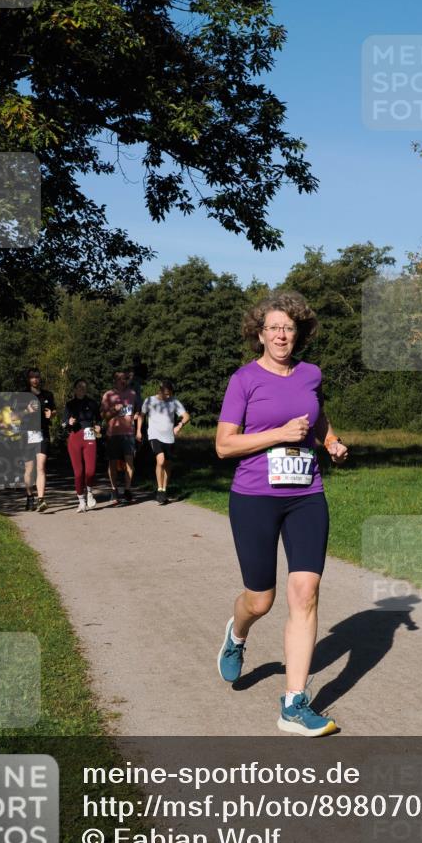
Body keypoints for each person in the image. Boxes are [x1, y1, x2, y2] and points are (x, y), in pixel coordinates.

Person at [215, 291, 348, 736]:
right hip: (254, 496)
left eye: (288, 327)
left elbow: (318, 416)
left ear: (299, 333)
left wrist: (330, 442)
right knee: (261, 600)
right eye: (273, 327)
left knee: (305, 591)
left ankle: (294, 703)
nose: (280, 334)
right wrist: (278, 435)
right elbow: (224, 445)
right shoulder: (244, 380)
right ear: (259, 333)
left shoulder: (311, 374)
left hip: (306, 493)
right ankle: (237, 634)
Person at [138, 379, 190, 504]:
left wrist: (179, 425)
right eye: (165, 393)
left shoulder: (174, 402)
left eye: (170, 393)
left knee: (167, 464)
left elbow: (186, 416)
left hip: (169, 437)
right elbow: (141, 415)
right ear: (159, 390)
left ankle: (164, 489)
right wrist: (138, 431)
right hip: (154, 435)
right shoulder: (150, 400)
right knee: (160, 460)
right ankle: (160, 490)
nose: (168, 396)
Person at [62, 378, 102, 512]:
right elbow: (63, 424)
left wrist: (98, 426)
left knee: (90, 470)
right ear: (75, 389)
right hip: (74, 437)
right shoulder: (69, 405)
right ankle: (81, 501)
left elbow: (99, 419)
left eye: (84, 387)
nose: (81, 389)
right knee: (78, 472)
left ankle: (89, 493)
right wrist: (69, 422)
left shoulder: (92, 403)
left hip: (89, 435)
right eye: (79, 387)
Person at [101, 370, 139, 506]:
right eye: (119, 379)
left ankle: (127, 490)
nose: (122, 381)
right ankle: (114, 490)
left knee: (130, 462)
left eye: (124, 378)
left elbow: (137, 412)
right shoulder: (108, 395)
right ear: (114, 380)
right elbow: (103, 416)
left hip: (128, 433)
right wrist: (114, 410)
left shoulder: (132, 394)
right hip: (113, 434)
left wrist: (138, 427)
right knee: (112, 463)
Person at [22, 368, 56, 513]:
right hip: (27, 434)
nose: (35, 379)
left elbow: (53, 411)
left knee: (41, 467)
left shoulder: (48, 395)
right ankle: (30, 496)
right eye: (32, 377)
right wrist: (26, 411)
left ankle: (41, 500)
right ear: (28, 379)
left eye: (37, 377)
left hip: (42, 433)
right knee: (29, 470)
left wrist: (52, 413)